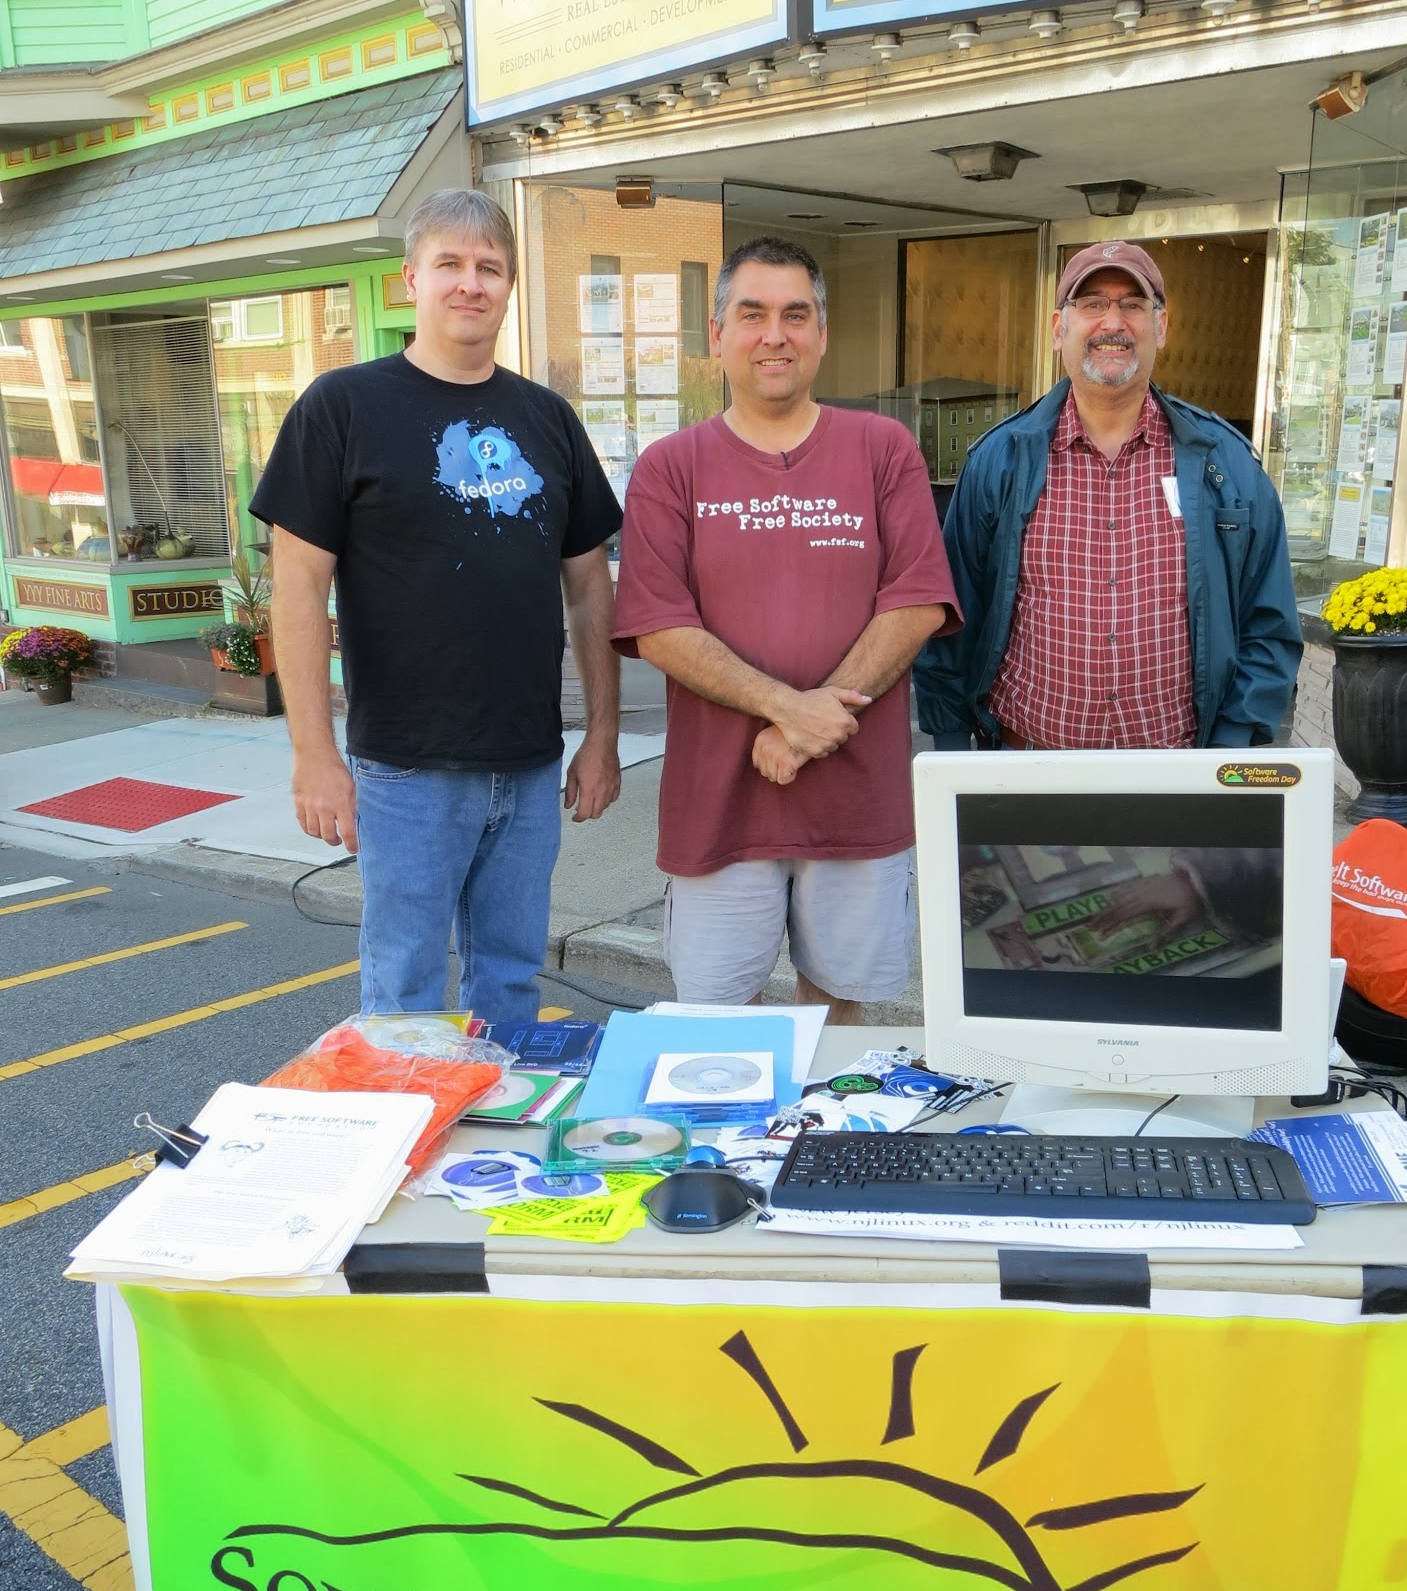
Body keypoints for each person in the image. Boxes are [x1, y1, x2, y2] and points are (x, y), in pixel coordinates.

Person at [255, 187, 623, 1023]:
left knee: (510, 986)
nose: (470, 283)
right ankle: (409, 1148)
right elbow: (299, 590)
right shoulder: (340, 408)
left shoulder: (548, 419)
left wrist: (601, 736)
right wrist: (314, 755)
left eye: (489, 267)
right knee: (405, 993)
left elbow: (591, 587)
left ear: (509, 285)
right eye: (449, 264)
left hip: (529, 765)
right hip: (406, 771)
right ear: (409, 279)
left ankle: (495, 1156)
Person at [612, 235, 960, 1024]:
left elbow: (917, 601)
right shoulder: (672, 466)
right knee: (714, 1019)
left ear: (822, 333)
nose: (776, 334)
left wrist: (807, 730)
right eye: (754, 314)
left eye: (796, 314)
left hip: (855, 798)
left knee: (840, 1013)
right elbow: (660, 625)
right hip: (720, 800)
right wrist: (788, 708)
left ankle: (824, 1149)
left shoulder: (883, 449)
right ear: (718, 335)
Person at [914, 240, 1301, 753]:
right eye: (1092, 303)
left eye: (1133, 305)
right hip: (1029, 770)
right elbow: (953, 614)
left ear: (1161, 327)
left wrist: (1232, 745)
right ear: (1059, 329)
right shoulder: (1001, 460)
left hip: (1178, 776)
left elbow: (1268, 622)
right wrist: (950, 745)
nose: (1112, 323)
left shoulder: (1224, 465)